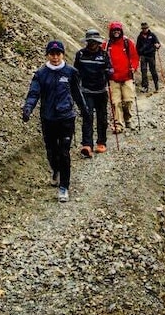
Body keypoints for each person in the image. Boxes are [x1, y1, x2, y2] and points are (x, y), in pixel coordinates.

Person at [22, 40, 90, 203]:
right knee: (51, 150)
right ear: (47, 55)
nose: (55, 57)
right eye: (52, 54)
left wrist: (84, 110)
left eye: (58, 54)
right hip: (48, 118)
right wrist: (28, 108)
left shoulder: (71, 72)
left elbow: (77, 93)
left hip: (66, 118)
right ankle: (55, 170)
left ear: (62, 54)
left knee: (64, 152)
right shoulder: (41, 74)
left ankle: (64, 187)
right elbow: (34, 93)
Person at [74, 29, 111, 157]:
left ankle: (101, 142)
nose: (92, 44)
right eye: (90, 41)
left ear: (98, 42)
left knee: (102, 117)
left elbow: (110, 68)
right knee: (87, 116)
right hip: (86, 91)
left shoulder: (104, 55)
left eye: (94, 41)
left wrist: (109, 72)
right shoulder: (80, 54)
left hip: (101, 91)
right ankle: (87, 145)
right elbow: (76, 72)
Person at [105, 21, 139, 132]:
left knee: (128, 100)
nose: (116, 32)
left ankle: (127, 119)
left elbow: (134, 57)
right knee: (116, 102)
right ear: (111, 31)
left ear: (121, 31)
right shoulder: (106, 45)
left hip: (127, 76)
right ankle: (118, 125)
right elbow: (103, 59)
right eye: (114, 30)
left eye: (118, 30)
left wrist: (133, 67)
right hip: (113, 78)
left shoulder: (127, 43)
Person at [135, 21, 161, 92]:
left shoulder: (152, 35)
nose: (145, 29)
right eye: (143, 28)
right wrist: (139, 53)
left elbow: (158, 43)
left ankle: (156, 85)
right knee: (143, 71)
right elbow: (137, 47)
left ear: (148, 28)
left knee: (153, 70)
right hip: (143, 56)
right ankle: (145, 87)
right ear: (142, 29)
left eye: (146, 28)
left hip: (151, 55)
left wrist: (158, 45)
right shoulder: (140, 37)